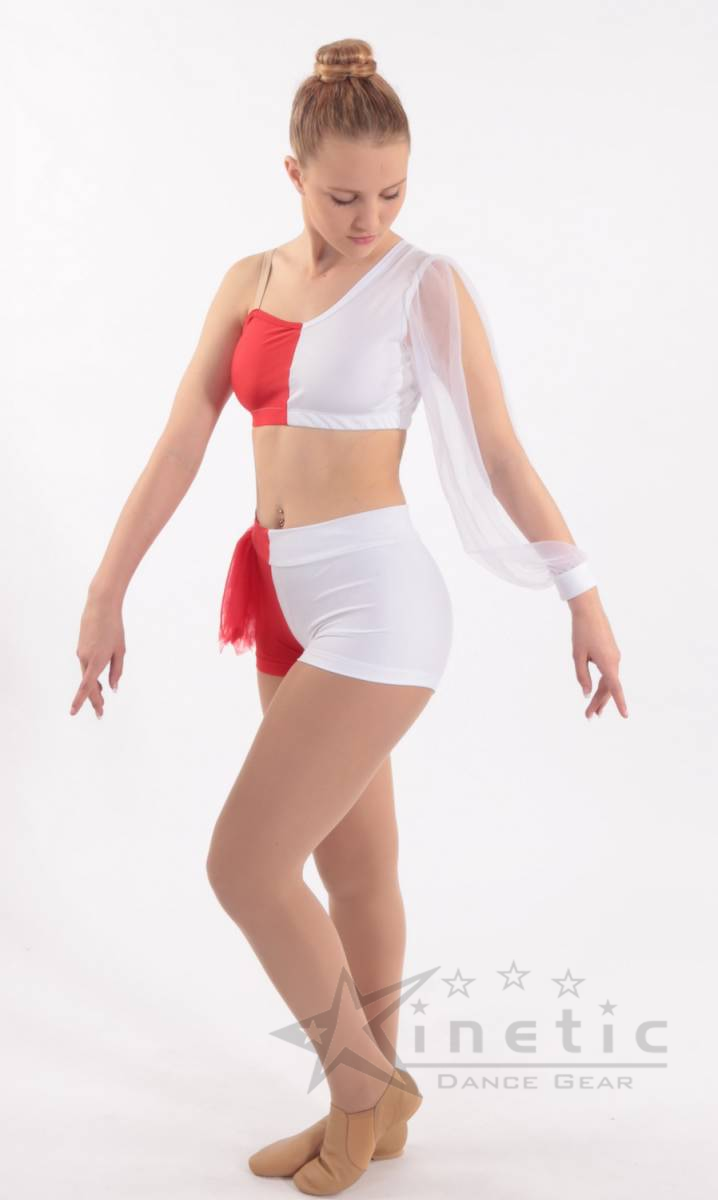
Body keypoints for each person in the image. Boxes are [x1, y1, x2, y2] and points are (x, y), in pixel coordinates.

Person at [70, 36, 627, 1196]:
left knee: (244, 866)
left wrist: (582, 596)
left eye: (391, 194)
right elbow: (180, 443)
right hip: (279, 596)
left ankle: (363, 1088)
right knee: (352, 868)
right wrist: (106, 589)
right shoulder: (248, 282)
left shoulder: (422, 285)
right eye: (342, 197)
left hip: (378, 603)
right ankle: (371, 1112)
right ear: (294, 174)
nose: (369, 218)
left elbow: (503, 453)